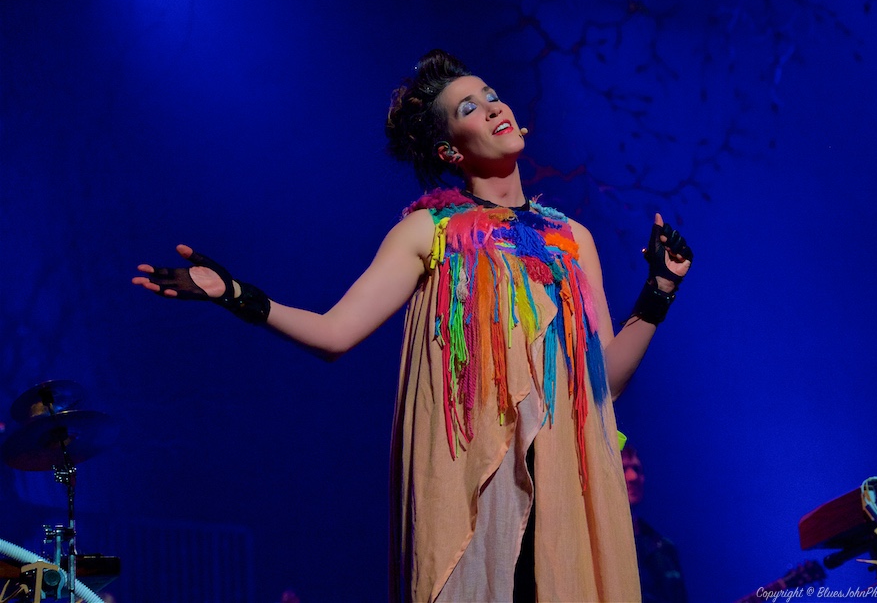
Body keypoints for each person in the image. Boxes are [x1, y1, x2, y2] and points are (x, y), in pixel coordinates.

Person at [133, 49, 693, 602]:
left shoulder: (573, 239)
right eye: (469, 108)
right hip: (484, 494)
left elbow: (605, 384)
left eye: (492, 97)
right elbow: (336, 333)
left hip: (565, 487)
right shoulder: (431, 232)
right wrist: (236, 295)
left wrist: (658, 291)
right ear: (450, 149)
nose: (493, 108)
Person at [622, 445, 689, 603]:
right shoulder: (599, 544)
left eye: (637, 469)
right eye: (623, 468)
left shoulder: (664, 547)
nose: (632, 477)